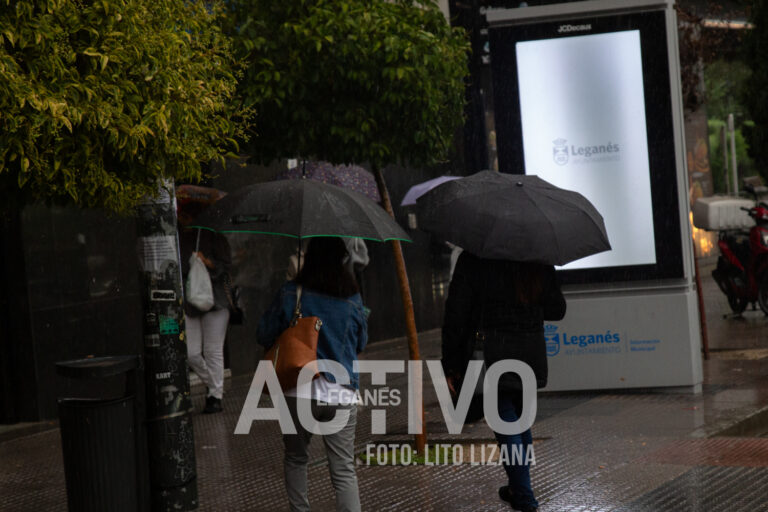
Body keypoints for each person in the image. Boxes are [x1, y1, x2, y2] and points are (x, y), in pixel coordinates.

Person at [442, 251, 566, 512]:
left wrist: (451, 363)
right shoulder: (536, 255)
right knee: (520, 420)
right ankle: (518, 487)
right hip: (529, 350)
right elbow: (557, 309)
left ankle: (524, 495)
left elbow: (456, 313)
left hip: (493, 350)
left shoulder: (475, 256)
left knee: (506, 420)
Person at [258, 237, 368, 512]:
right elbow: (362, 342)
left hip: (298, 390)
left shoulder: (291, 292)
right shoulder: (352, 297)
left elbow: (263, 333)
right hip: (341, 392)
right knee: (343, 469)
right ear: (342, 260)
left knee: (296, 458)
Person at [179, 210, 233, 414]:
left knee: (212, 350)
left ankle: (215, 396)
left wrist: (206, 261)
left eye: (185, 215)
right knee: (191, 352)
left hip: (216, 301)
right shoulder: (178, 237)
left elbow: (226, 266)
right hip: (190, 303)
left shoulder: (213, 235)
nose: (181, 220)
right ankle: (214, 385)